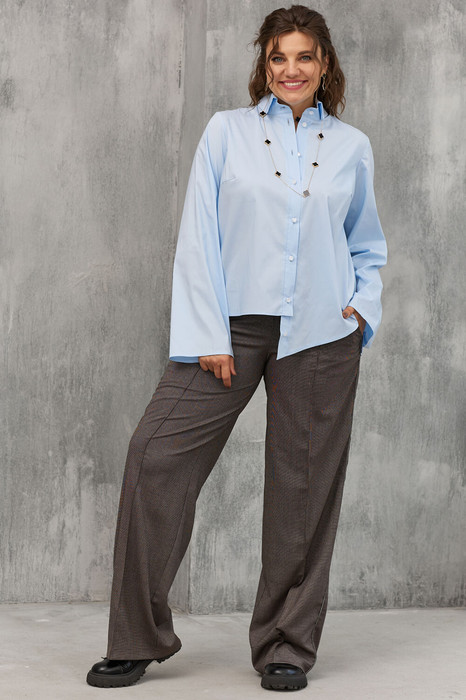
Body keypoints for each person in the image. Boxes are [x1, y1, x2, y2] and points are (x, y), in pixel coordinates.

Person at [86, 4, 387, 692]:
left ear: (324, 64)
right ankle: (135, 638)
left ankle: (286, 646)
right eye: (279, 57)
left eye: (304, 56)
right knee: (155, 456)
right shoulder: (226, 132)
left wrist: (360, 309)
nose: (291, 69)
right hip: (233, 327)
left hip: (321, 332)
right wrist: (207, 335)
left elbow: (365, 242)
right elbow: (199, 234)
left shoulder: (351, 146)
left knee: (302, 493)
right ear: (264, 64)